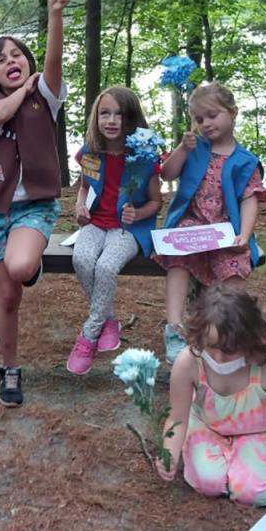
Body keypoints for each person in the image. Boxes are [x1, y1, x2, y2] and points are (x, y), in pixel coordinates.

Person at [0, 0, 70, 406]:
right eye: (0, 59)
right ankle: (10, 368)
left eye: (17, 55)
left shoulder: (46, 97)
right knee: (8, 296)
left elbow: (54, 60)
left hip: (34, 206)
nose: (10, 61)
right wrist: (21, 88)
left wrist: (55, 14)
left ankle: (29, 264)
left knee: (19, 267)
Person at [158, 285, 266, 506]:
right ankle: (239, 459)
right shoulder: (188, 363)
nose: (220, 358)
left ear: (249, 341)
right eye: (211, 347)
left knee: (254, 492)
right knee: (207, 483)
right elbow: (177, 417)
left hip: (255, 431)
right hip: (207, 427)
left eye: (230, 349)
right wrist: (170, 451)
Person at [155, 82, 266, 363]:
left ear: (233, 112)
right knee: (178, 259)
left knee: (234, 269)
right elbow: (167, 175)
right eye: (198, 119)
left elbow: (249, 199)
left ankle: (231, 330)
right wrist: (182, 148)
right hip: (192, 224)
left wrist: (244, 234)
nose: (205, 124)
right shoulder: (194, 149)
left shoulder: (245, 161)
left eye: (212, 115)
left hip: (226, 230)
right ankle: (174, 328)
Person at [68, 86, 162, 375]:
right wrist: (80, 206)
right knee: (82, 260)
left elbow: (157, 202)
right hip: (96, 222)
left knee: (107, 266)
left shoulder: (143, 158)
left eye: (119, 114)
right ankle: (108, 320)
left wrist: (139, 212)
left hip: (129, 229)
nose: (111, 120)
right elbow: (84, 187)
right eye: (104, 113)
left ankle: (88, 335)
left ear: (132, 118)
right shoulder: (91, 153)